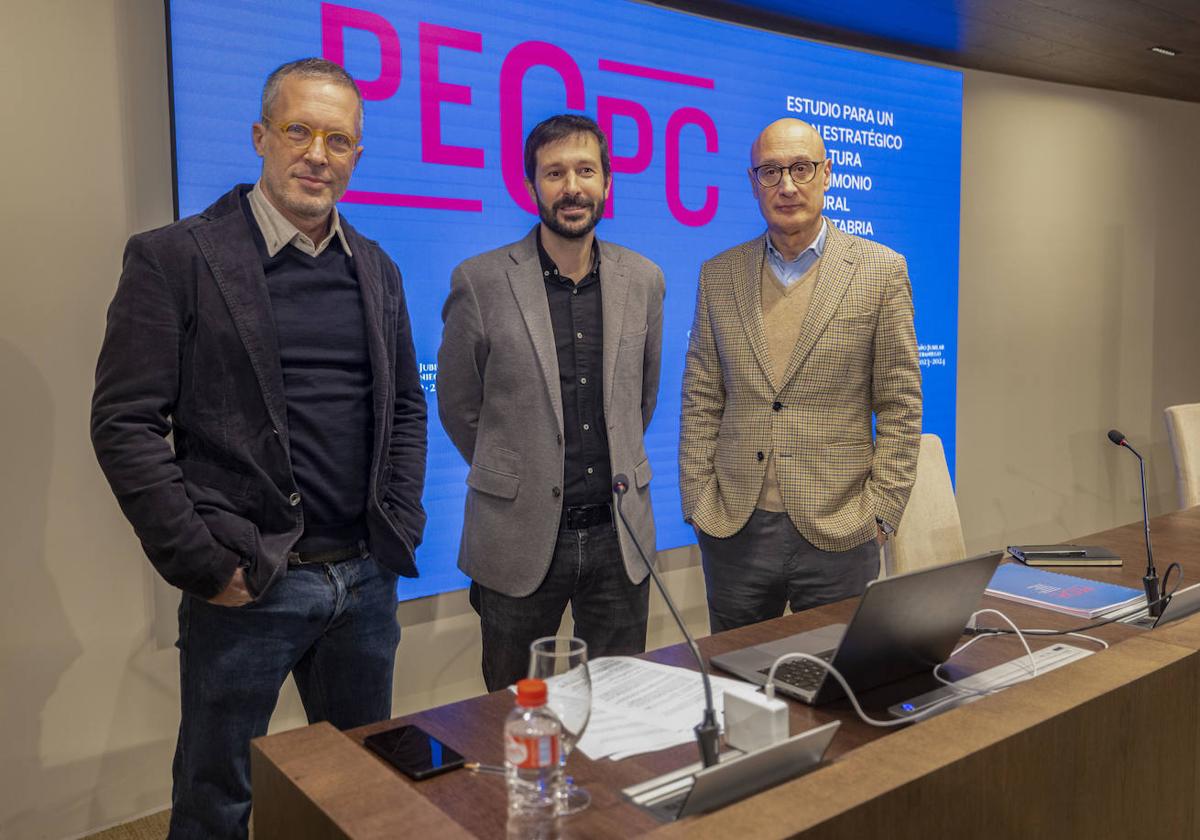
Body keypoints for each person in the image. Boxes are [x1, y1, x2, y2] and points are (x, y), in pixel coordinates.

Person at [90, 58, 426, 839]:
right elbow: (125, 423)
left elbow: (405, 406)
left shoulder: (376, 267)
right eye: (299, 131)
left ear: (357, 156)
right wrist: (205, 565)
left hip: (363, 583)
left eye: (338, 139)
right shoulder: (174, 257)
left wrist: (397, 525)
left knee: (357, 794)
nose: (317, 153)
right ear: (260, 137)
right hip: (249, 587)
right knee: (217, 800)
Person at [438, 114, 665, 692]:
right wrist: (517, 471)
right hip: (519, 536)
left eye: (586, 171)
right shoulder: (480, 281)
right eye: (554, 172)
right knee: (514, 711)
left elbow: (641, 398)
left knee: (618, 710)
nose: (572, 188)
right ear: (531, 185)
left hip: (620, 537)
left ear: (607, 184)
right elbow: (460, 406)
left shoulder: (644, 279)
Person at [679, 117, 921, 633]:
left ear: (827, 174)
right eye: (770, 172)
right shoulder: (718, 274)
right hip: (736, 530)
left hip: (841, 530)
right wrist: (699, 500)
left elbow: (901, 404)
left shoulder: (881, 270)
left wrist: (881, 514)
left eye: (801, 168)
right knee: (737, 686)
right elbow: (702, 394)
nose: (786, 185)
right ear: (753, 182)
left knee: (839, 686)